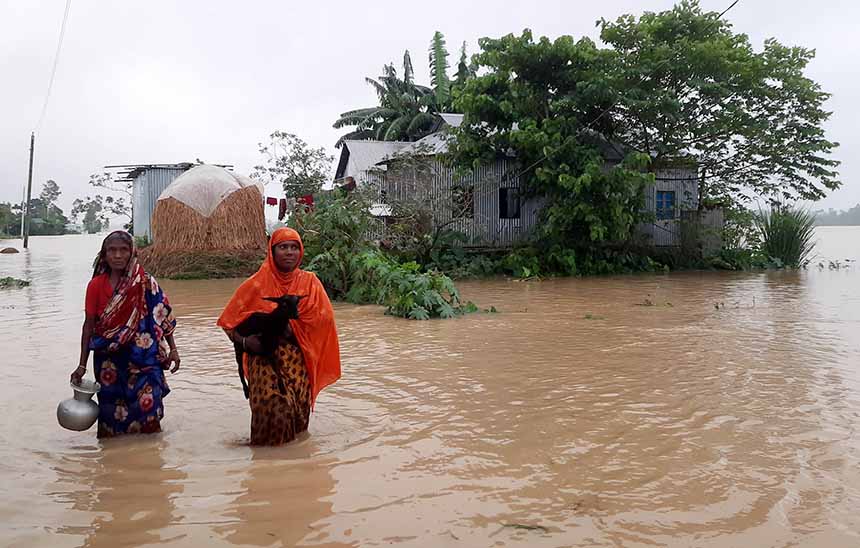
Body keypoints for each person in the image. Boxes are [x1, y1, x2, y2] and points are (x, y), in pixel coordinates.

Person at [217, 227, 341, 445]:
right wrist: (246, 342)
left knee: (298, 415)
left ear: (301, 252)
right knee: (272, 407)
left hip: (297, 360)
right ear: (272, 251)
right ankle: (265, 465)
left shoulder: (310, 283)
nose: (289, 252)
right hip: (263, 360)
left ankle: (293, 470)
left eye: (294, 247)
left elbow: (324, 320)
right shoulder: (256, 284)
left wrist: (291, 329)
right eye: (283, 247)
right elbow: (228, 323)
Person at [71, 231, 180, 437]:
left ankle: (149, 462)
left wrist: (173, 350)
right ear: (104, 255)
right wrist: (82, 365)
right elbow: (88, 326)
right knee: (112, 420)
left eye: (123, 250)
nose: (118, 255)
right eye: (112, 250)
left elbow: (162, 316)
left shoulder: (146, 282)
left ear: (132, 253)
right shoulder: (95, 286)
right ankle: (114, 461)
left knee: (148, 417)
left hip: (144, 361)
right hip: (109, 362)